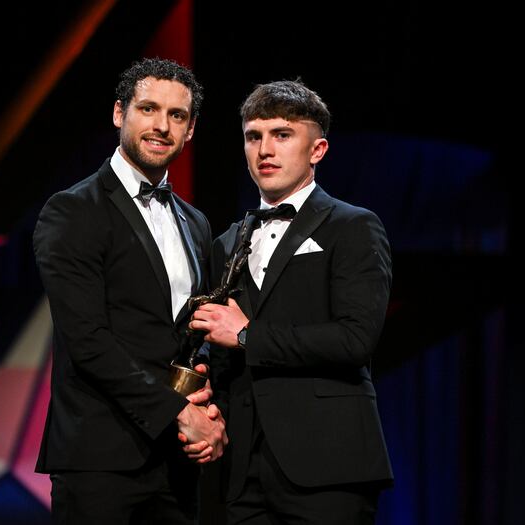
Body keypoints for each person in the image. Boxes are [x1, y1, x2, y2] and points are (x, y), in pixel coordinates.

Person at [190, 80, 393, 524]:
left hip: (328, 465)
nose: (265, 149)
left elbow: (355, 339)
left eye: (282, 135)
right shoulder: (227, 242)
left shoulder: (353, 226)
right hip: (242, 470)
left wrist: (247, 335)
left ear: (317, 150)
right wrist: (210, 411)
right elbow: (221, 353)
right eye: (253, 136)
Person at [33, 57, 227, 524]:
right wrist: (178, 413)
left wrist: (208, 412)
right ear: (120, 113)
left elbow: (190, 336)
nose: (161, 126)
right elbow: (88, 341)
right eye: (148, 109)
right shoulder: (73, 210)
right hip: (100, 458)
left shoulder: (195, 222)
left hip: (177, 461)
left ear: (191, 129)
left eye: (177, 116)